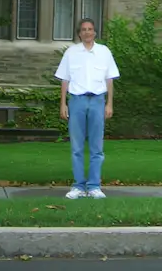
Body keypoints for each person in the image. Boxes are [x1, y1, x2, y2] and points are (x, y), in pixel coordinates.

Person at [54, 18, 120, 199]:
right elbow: (64, 80)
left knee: (96, 147)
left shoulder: (104, 52)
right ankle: (77, 186)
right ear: (79, 33)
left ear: (95, 32)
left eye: (90, 29)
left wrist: (109, 104)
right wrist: (63, 104)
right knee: (76, 146)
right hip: (77, 101)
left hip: (98, 101)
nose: (87, 32)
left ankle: (94, 186)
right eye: (83, 29)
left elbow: (110, 79)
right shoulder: (71, 53)